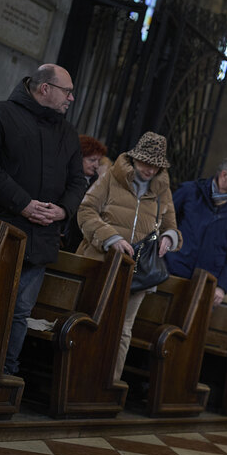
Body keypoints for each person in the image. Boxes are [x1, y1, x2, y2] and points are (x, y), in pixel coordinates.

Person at [0, 64, 87, 376]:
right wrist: (23, 204)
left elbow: (78, 181)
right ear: (45, 88)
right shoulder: (0, 114)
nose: (71, 98)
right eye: (67, 91)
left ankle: (5, 377)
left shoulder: (67, 132)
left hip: (41, 238)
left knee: (19, 312)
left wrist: (63, 210)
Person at [76, 132, 180, 381]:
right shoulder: (112, 177)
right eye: (146, 162)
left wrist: (169, 238)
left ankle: (108, 384)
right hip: (101, 262)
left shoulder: (162, 189)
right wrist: (111, 238)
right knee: (90, 320)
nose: (150, 169)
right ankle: (77, 378)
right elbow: (85, 210)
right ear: (135, 158)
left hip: (138, 271)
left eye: (156, 165)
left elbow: (171, 226)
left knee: (123, 329)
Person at [166, 157, 227, 307]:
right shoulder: (190, 191)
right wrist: (166, 259)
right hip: (172, 273)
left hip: (205, 285)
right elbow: (165, 222)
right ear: (224, 175)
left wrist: (222, 286)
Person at [61, 135, 108, 252]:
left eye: (98, 161)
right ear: (78, 158)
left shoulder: (98, 184)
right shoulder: (63, 178)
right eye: (92, 160)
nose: (96, 165)